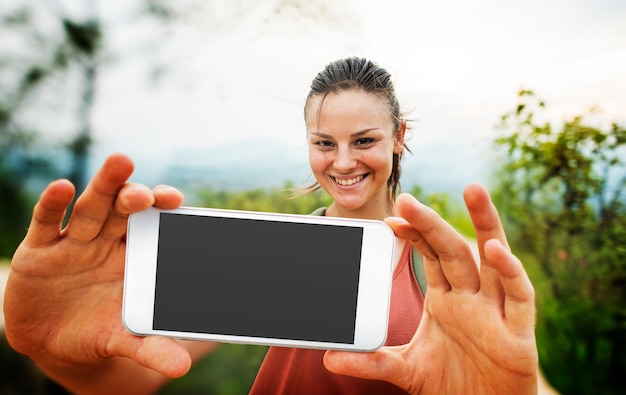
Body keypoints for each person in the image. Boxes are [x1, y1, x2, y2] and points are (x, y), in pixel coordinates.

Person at [4, 57, 538, 394]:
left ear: (398, 136)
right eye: (324, 143)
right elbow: (137, 374)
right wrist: (51, 349)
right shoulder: (283, 251)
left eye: (365, 140)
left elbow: (517, 376)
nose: (344, 162)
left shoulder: (451, 268)